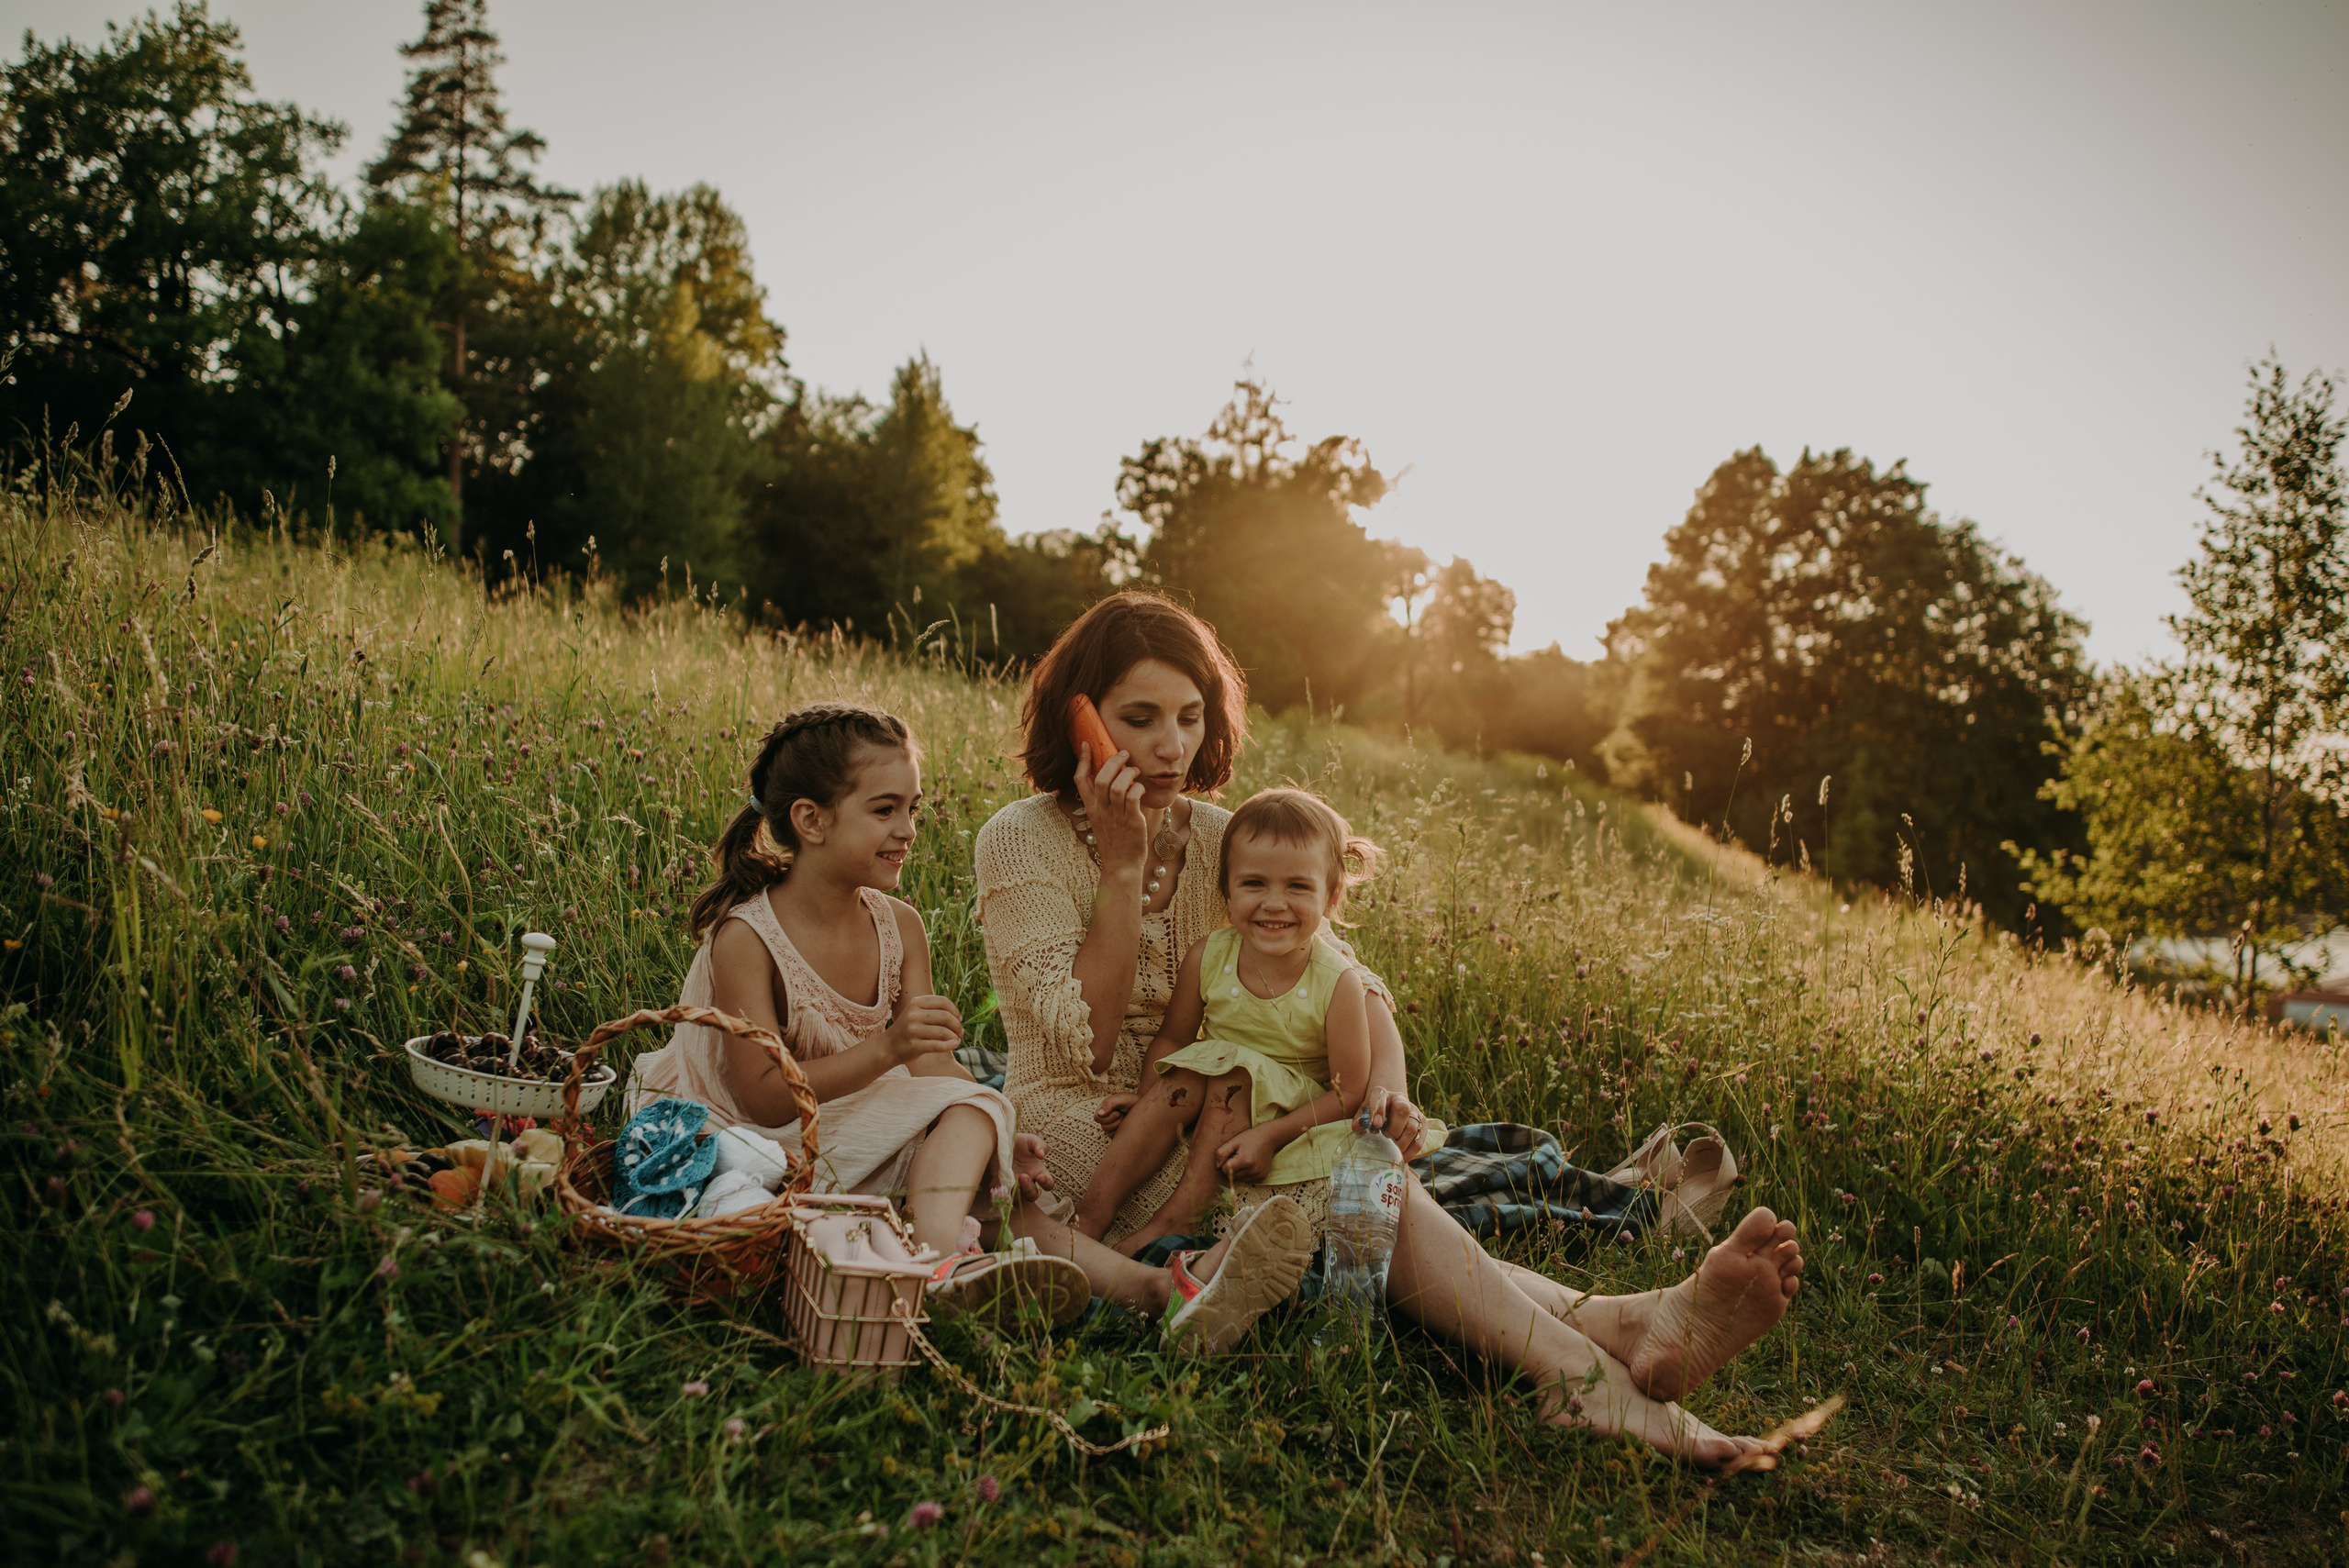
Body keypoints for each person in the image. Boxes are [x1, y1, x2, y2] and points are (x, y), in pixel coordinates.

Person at [975, 592, 1809, 1467]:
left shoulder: (1224, 832)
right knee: (1349, 1192)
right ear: (1082, 723)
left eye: (1189, 716)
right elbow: (1086, 1046)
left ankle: (1617, 1327)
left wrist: (1386, 1096)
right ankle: (1588, 1368)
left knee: (1364, 1169)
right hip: (1087, 1121)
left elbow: (1349, 981)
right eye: (1136, 719)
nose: (1170, 746)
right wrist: (1120, 863)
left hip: (1231, 1106)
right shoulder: (1021, 841)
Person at [625, 701, 1315, 1346]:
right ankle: (936, 1267)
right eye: (885, 810)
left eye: (913, 808)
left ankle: (1161, 1289)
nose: (908, 830)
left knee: (1004, 1185)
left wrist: (1000, 1132)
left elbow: (933, 1070)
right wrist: (889, 1049)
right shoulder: (747, 937)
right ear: (811, 820)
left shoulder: (898, 925)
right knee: (968, 1129)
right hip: (752, 1138)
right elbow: (763, 1095)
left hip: (850, 1125)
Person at [1076, 787, 1384, 1257]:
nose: (1274, 903)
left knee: (1231, 1079)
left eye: (1298, 887)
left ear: (1331, 896)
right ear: (1227, 889)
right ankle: (1089, 1220)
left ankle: (1167, 1225)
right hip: (1219, 1081)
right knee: (1188, 1073)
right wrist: (1144, 1099)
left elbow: (1349, 1092)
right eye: (1254, 884)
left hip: (1292, 1106)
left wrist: (1269, 1136)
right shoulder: (1209, 956)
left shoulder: (1336, 982)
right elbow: (1173, 1038)